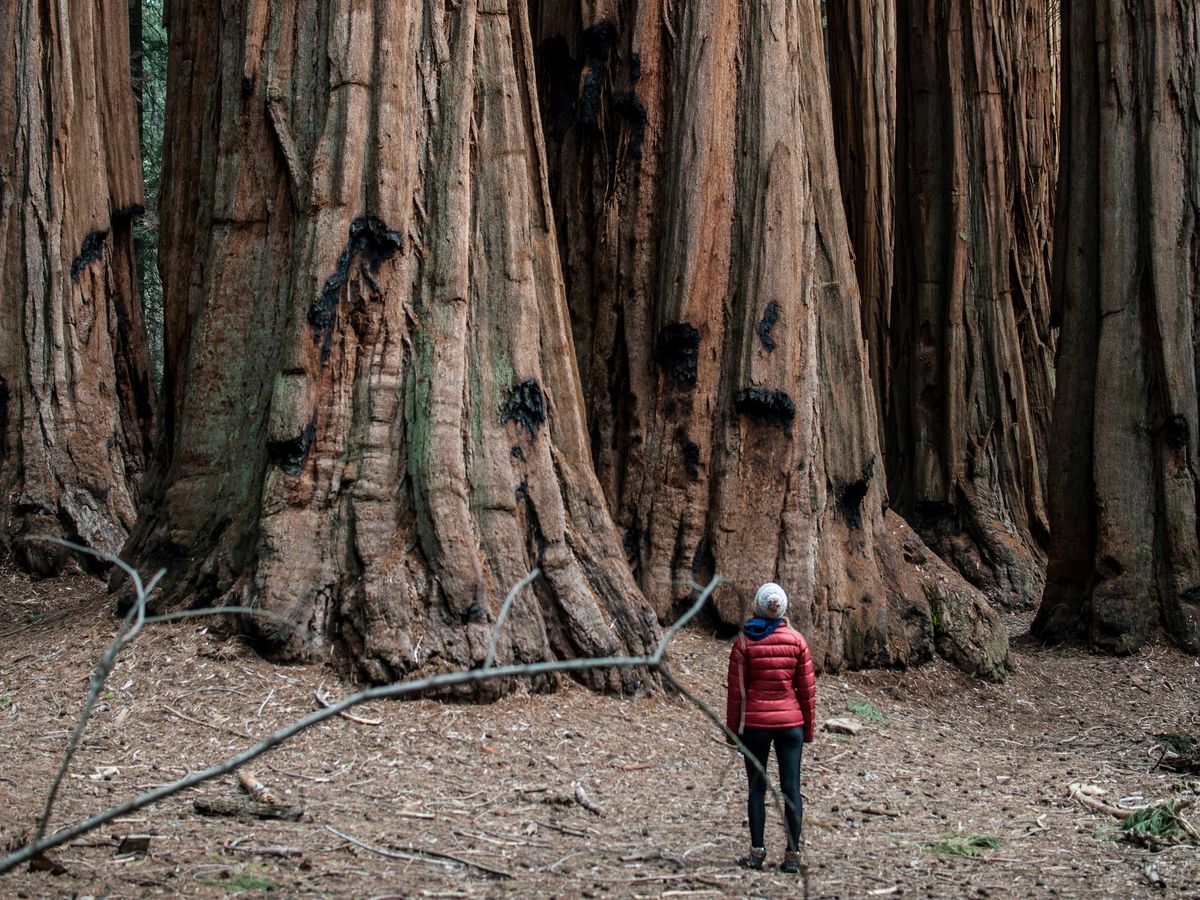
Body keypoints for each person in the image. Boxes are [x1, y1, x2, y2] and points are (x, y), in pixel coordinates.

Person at [725, 582, 816, 873]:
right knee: (791, 788)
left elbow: (736, 692)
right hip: (791, 726)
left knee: (756, 788)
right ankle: (792, 855)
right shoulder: (797, 641)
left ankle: (757, 852)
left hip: (755, 725)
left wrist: (732, 731)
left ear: (758, 605)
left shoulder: (744, 642)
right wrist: (808, 730)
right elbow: (806, 691)